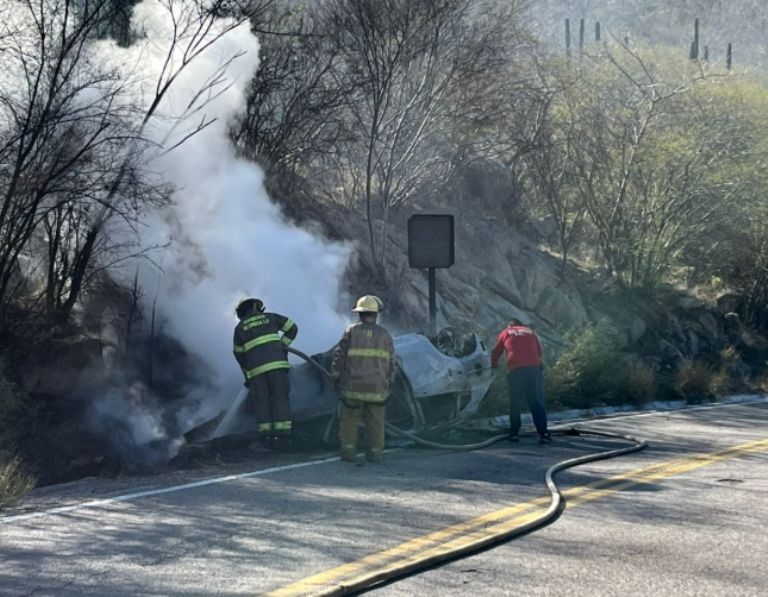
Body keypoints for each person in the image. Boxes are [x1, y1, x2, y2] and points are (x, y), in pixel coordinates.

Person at [331, 295, 396, 463]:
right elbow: (391, 363)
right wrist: (389, 384)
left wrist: (335, 377)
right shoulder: (385, 335)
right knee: (376, 422)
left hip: (353, 387)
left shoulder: (351, 331)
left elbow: (339, 357)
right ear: (376, 314)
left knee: (349, 420)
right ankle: (375, 454)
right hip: (377, 389)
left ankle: (348, 453)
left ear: (359, 314)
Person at [233, 297, 298, 448]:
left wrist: (247, 374)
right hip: (277, 366)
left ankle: (266, 439)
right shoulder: (271, 317)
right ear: (256, 307)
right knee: (280, 399)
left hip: (256, 372)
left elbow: (238, 354)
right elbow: (292, 328)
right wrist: (282, 346)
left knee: (262, 403)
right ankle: (284, 438)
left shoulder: (240, 328)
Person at [491, 318, 551, 443]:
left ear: (510, 326)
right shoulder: (530, 332)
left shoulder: (506, 332)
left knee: (515, 402)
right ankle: (543, 434)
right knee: (535, 400)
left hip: (516, 369)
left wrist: (494, 365)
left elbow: (496, 352)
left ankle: (514, 433)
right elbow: (539, 352)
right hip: (533, 369)